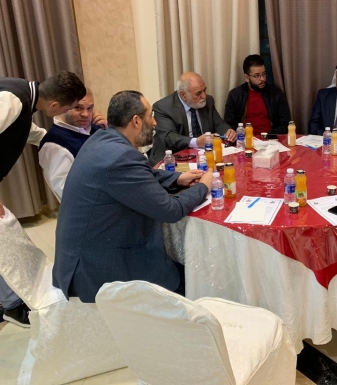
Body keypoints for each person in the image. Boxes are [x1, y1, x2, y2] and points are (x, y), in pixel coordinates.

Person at [52, 90, 212, 303]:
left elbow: (141, 174)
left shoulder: (102, 138)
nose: (154, 122)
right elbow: (171, 210)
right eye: (150, 115)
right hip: (97, 269)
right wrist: (203, 187)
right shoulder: (122, 157)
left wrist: (178, 178)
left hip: (83, 254)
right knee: (190, 278)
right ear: (136, 121)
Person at [0, 71, 86, 327]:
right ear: (54, 105)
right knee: (6, 239)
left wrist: (65, 139)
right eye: (69, 109)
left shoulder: (23, 96)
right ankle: (11, 306)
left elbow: (30, 132)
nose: (71, 113)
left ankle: (9, 302)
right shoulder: (14, 99)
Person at [148, 72, 236, 166]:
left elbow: (219, 124)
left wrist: (228, 131)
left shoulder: (208, 101)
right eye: (198, 93)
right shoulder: (163, 107)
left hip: (202, 156)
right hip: (172, 159)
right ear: (183, 95)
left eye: (204, 90)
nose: (204, 96)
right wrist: (196, 142)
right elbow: (169, 138)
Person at [38, 88, 108, 201]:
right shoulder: (54, 144)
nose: (86, 114)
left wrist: (109, 131)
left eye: (90, 108)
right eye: (78, 108)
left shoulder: (97, 127)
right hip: (96, 203)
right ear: (64, 107)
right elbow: (68, 194)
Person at [224, 54, 291, 134]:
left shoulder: (276, 94)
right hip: (245, 138)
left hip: (271, 138)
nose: (262, 79)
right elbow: (229, 125)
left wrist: (269, 136)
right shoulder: (235, 95)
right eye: (257, 76)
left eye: (264, 74)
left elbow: (285, 124)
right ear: (247, 77)